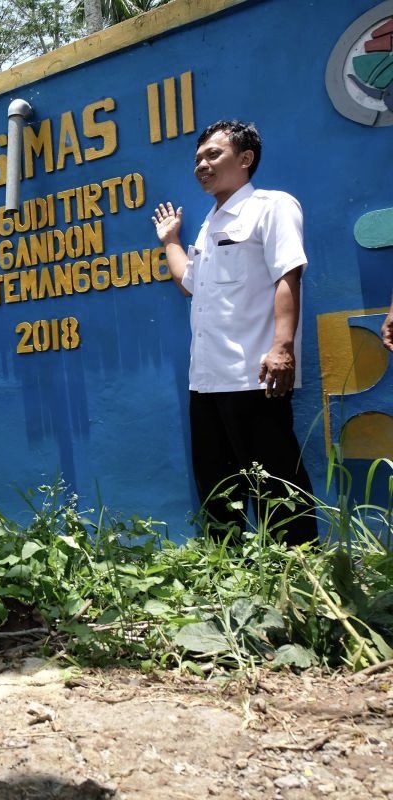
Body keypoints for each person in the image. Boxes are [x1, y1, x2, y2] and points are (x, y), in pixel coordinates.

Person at [152, 119, 317, 545]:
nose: (201, 165)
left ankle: (300, 576)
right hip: (206, 381)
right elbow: (190, 283)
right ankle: (228, 577)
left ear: (245, 159)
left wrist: (282, 347)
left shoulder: (271, 206)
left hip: (254, 376)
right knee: (218, 491)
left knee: (278, 486)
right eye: (198, 158)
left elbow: (288, 275)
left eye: (213, 155)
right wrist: (170, 240)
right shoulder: (208, 225)